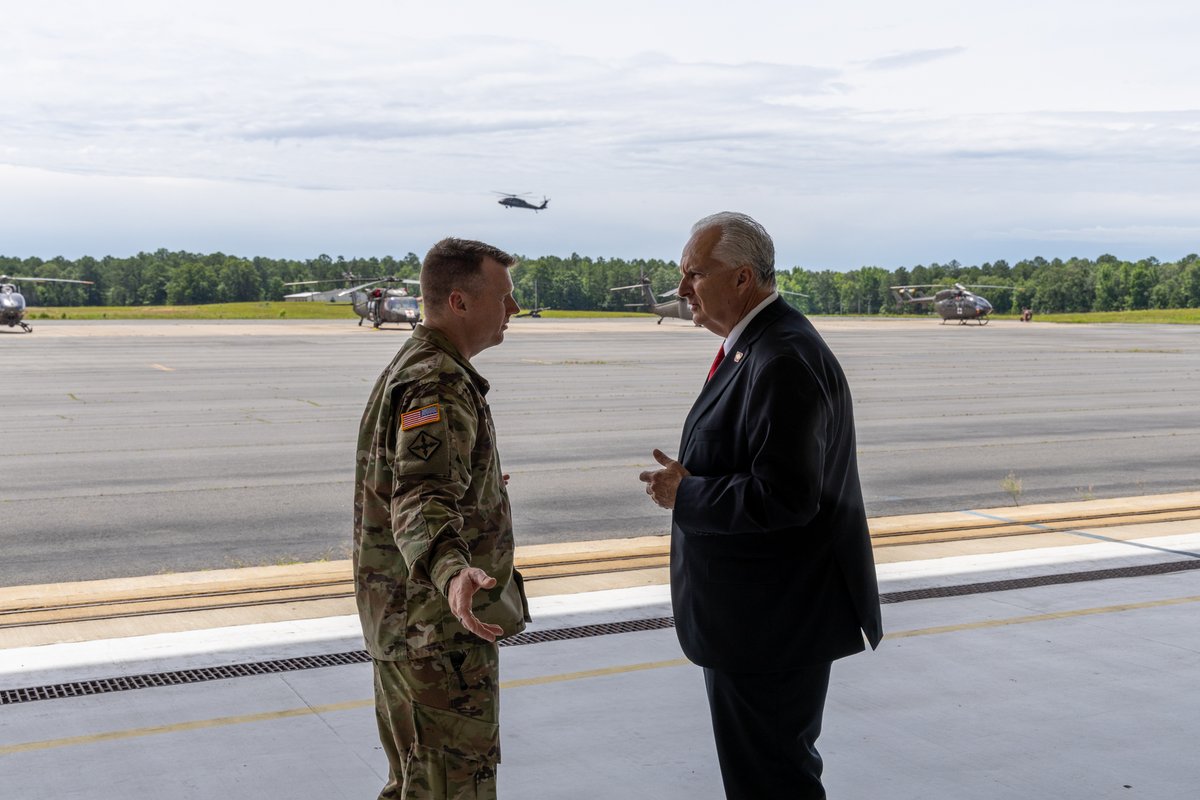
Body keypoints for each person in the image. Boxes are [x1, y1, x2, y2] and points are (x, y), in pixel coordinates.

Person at [639, 212, 883, 800]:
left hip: (769, 627)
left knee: (771, 782)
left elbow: (788, 496)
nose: (682, 290)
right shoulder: (758, 346)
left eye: (695, 274)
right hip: (762, 621)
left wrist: (685, 492)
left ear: (743, 278)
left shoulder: (781, 358)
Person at [353, 237, 530, 799]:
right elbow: (420, 498)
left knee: (414, 782)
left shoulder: (420, 366)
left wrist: (478, 491)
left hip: (409, 627)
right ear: (459, 301)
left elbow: (416, 479)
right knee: (452, 787)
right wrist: (454, 572)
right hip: (436, 633)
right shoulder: (439, 380)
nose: (514, 309)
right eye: (504, 297)